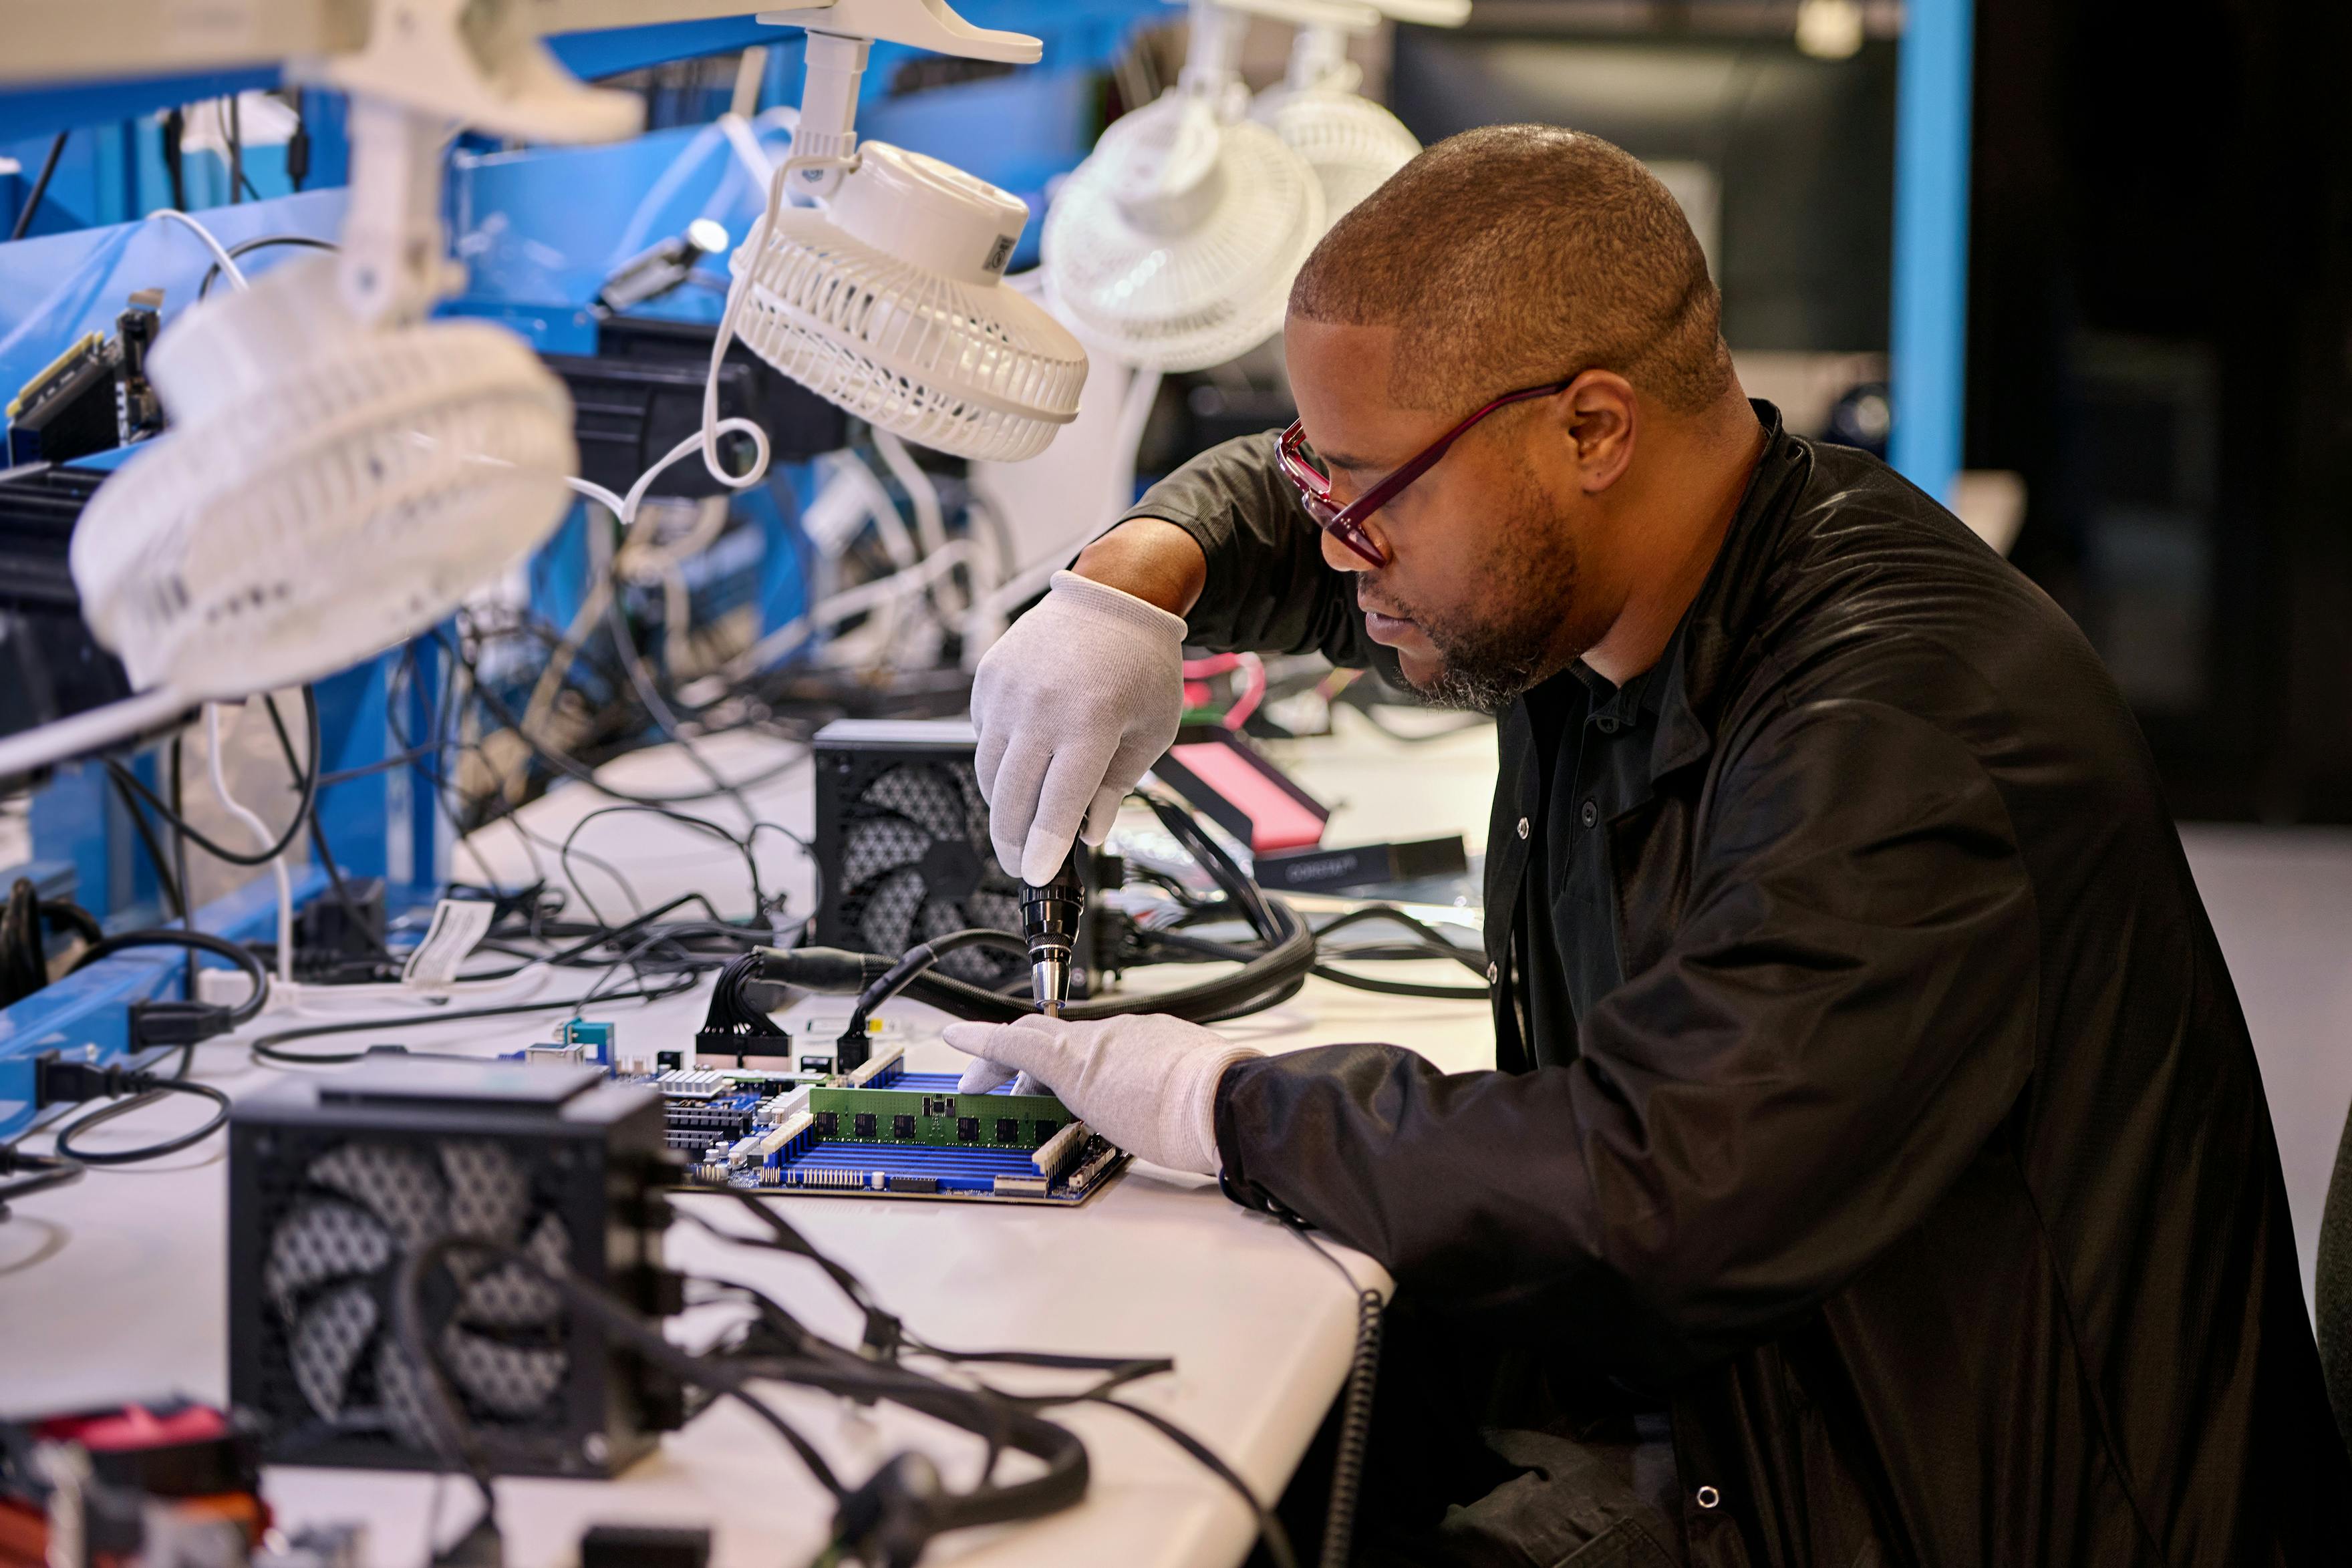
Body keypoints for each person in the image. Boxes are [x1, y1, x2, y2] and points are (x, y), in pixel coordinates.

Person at [943, 126, 2351, 1563]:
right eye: (1325, 485)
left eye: (1363, 499)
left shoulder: (1896, 728)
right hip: (1767, 1406)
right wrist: (1130, 582)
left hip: (1951, 1504)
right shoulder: (1611, 568)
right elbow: (1299, 488)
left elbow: (1649, 1190)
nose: (1337, 543)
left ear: (1590, 430)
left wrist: (1218, 1102)